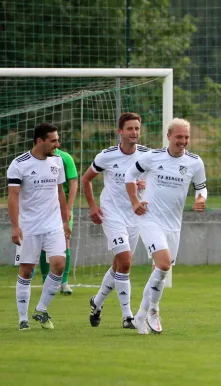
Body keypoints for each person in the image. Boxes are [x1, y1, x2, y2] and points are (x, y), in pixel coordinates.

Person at [125, 118, 207, 334]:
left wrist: (200, 199)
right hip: (150, 219)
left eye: (186, 137)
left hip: (173, 225)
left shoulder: (195, 162)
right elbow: (130, 175)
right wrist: (135, 201)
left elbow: (201, 187)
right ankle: (153, 309)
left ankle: (141, 316)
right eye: (179, 137)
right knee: (163, 264)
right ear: (169, 136)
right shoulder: (152, 157)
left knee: (160, 271)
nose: (183, 141)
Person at [84, 112, 150, 329]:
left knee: (120, 265)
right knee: (126, 262)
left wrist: (144, 185)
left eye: (137, 129)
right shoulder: (107, 156)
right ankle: (127, 316)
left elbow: (152, 181)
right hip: (111, 213)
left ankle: (97, 302)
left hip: (134, 214)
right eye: (130, 129)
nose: (134, 133)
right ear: (120, 131)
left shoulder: (147, 156)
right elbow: (86, 180)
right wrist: (93, 206)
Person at [8, 123, 71, 330]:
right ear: (39, 141)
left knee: (59, 264)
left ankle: (41, 310)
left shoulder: (58, 161)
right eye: (53, 140)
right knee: (26, 271)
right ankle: (23, 319)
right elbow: (13, 197)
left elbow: (60, 192)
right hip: (29, 227)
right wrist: (15, 227)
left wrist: (64, 221)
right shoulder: (19, 164)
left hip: (53, 224)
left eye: (57, 139)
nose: (57, 144)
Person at [38, 147, 78, 295]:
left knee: (65, 241)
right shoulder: (37, 159)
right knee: (43, 245)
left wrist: (69, 208)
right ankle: (45, 282)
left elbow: (74, 182)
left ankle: (64, 282)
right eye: (52, 140)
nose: (56, 143)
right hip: (43, 208)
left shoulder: (65, 158)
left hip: (62, 208)